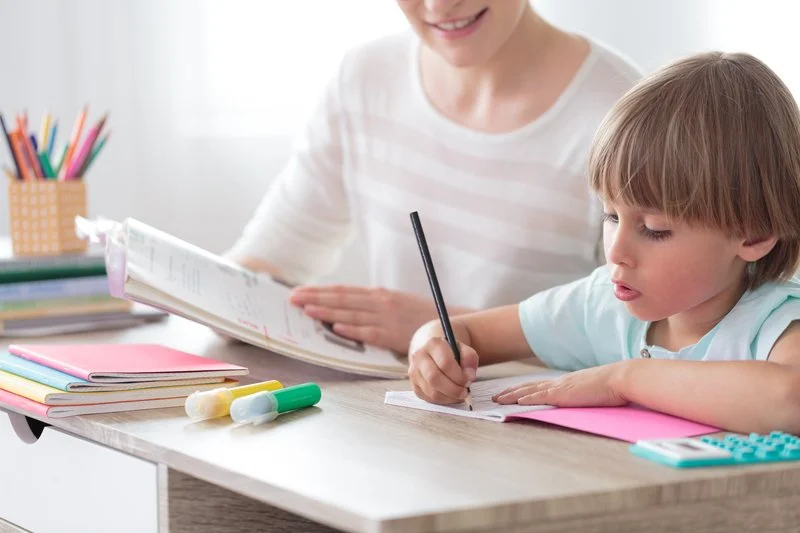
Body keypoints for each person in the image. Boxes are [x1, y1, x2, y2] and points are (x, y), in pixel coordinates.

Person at [407, 51, 800, 434]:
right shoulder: (603, 304)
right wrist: (432, 350)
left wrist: (624, 379)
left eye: (654, 229)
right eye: (611, 216)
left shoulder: (777, 323)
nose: (615, 252)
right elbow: (462, 332)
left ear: (755, 234)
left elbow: (790, 400)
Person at [225, 0, 642, 353]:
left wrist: (449, 327)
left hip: (538, 430)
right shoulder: (364, 77)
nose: (438, 6)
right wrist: (221, 301)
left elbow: (648, 338)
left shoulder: (625, 117)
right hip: (395, 414)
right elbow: (270, 256)